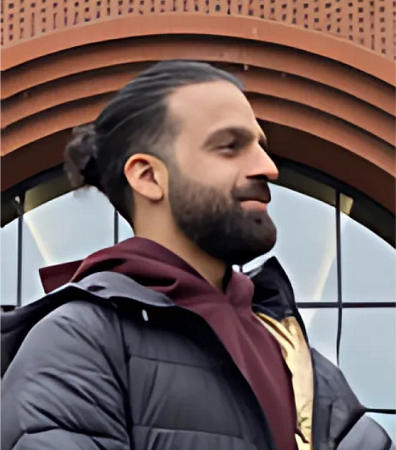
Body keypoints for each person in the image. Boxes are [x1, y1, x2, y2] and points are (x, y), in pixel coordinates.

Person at [0, 60, 394, 450]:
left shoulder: (306, 368)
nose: (268, 168)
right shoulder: (78, 343)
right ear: (148, 177)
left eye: (261, 146)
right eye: (229, 147)